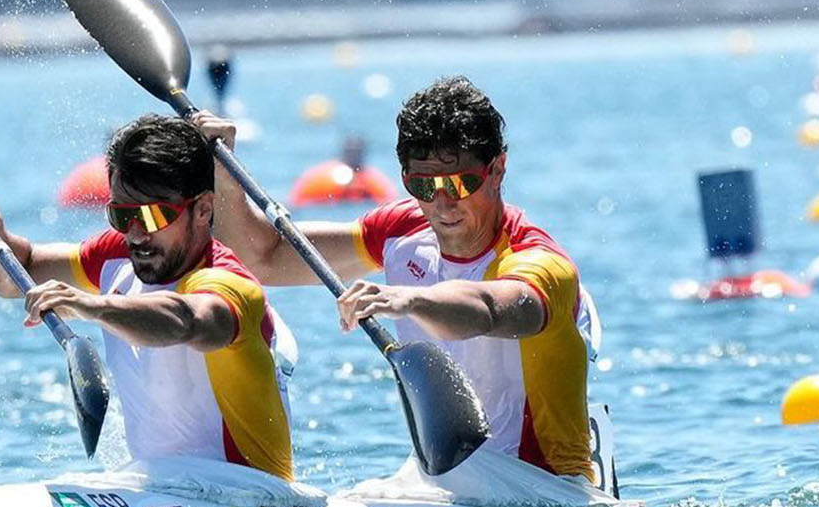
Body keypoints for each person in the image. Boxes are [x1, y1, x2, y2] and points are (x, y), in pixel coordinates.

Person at [200, 76, 597, 483]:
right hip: (445, 487)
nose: (442, 203)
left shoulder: (540, 264)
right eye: (422, 185)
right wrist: (223, 170)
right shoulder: (399, 230)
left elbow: (488, 310)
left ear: (497, 169)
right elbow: (263, 258)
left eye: (460, 183)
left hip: (546, 492)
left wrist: (409, 300)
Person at [0, 114, 295, 480]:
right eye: (121, 216)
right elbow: (12, 275)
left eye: (152, 217)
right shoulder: (115, 256)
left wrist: (90, 305)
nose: (134, 235)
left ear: (203, 209)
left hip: (251, 496)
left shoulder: (228, 283)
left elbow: (186, 320)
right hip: (160, 488)